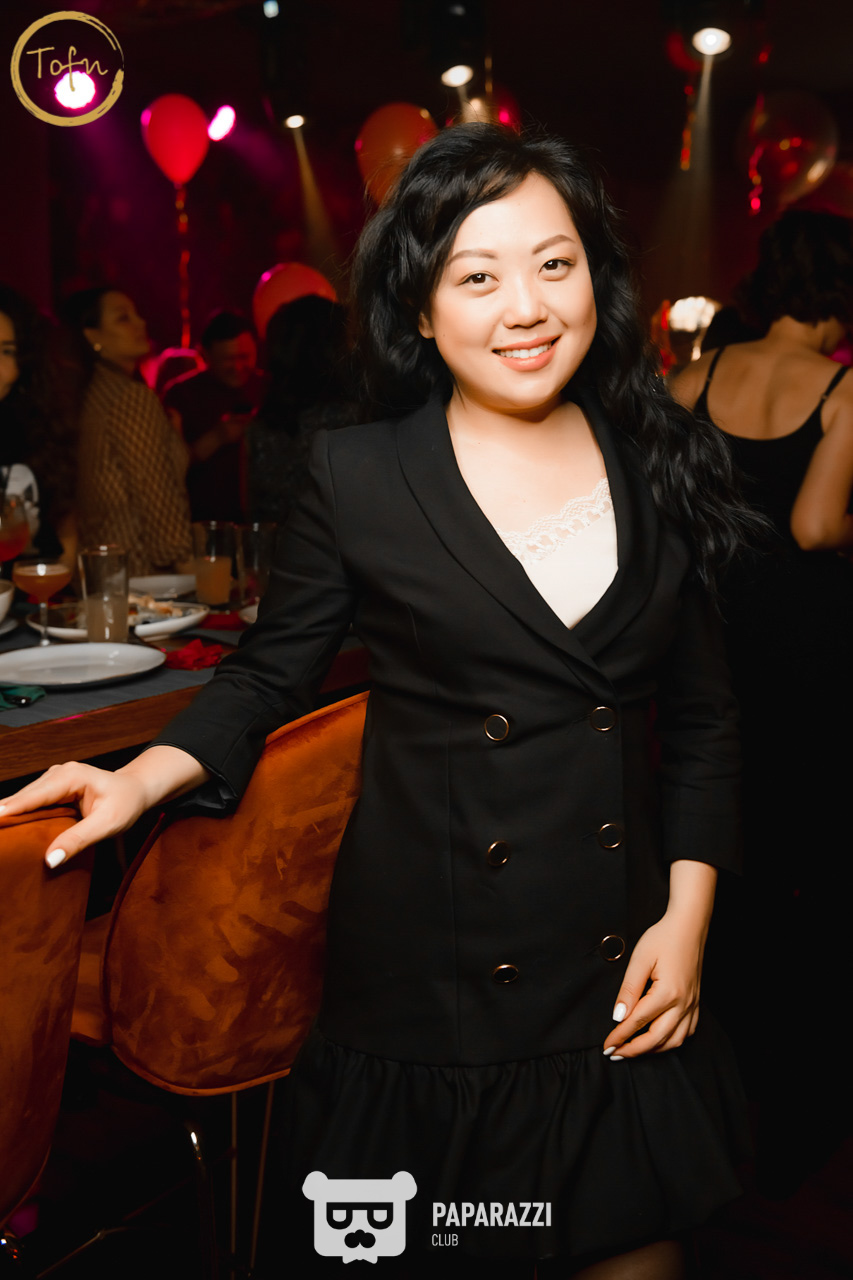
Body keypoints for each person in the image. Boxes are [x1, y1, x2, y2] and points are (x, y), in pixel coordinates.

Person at [4, 125, 758, 1278]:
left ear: (595, 279)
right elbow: (269, 672)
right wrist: (137, 777)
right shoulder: (359, 474)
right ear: (419, 308)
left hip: (614, 957)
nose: (526, 306)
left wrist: (685, 919)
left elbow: (704, 720)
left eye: (553, 264)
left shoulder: (662, 458)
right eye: (477, 275)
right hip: (428, 974)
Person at [672, 208, 853, 1195]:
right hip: (811, 662)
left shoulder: (694, 379)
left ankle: (713, 1102)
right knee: (812, 878)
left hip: (711, 653)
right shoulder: (840, 387)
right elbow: (817, 525)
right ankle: (798, 1121)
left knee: (720, 869)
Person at [62, 287, 192, 578]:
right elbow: (157, 497)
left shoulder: (90, 394)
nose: (141, 323)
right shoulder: (128, 397)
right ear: (92, 336)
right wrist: (191, 569)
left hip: (102, 574)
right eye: (123, 318)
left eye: (136, 314)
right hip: (143, 576)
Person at [245, 295, 359, 525]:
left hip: (273, 545)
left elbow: (251, 511)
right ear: (331, 348)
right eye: (348, 339)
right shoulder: (352, 420)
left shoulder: (260, 427)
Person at [162, 310, 267, 522]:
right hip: (202, 522)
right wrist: (216, 438)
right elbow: (163, 469)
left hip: (264, 520)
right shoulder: (181, 394)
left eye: (244, 357)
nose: (237, 367)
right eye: (228, 360)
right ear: (206, 356)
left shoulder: (271, 389)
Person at [0, 283, 77, 563]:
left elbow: (66, 530)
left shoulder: (31, 427)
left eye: (8, 351)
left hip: (37, 587)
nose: (3, 368)